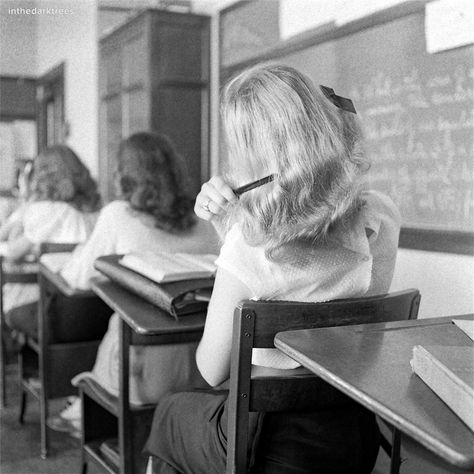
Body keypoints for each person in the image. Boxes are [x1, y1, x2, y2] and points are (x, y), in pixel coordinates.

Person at [144, 64, 401, 474]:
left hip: (266, 448)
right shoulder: (381, 217)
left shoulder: (251, 246)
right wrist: (229, 226)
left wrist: (234, 233)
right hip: (352, 432)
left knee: (172, 411)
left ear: (253, 152)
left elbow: (212, 371)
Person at [51, 132, 220, 433]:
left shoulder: (117, 215)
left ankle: (85, 412)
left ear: (124, 174)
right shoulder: (205, 221)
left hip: (139, 376)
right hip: (204, 371)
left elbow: (79, 278)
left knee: (113, 322)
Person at [2, 145, 100, 337]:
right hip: (95, 308)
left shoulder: (46, 210)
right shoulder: (96, 210)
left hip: (58, 312)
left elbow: (14, 251)